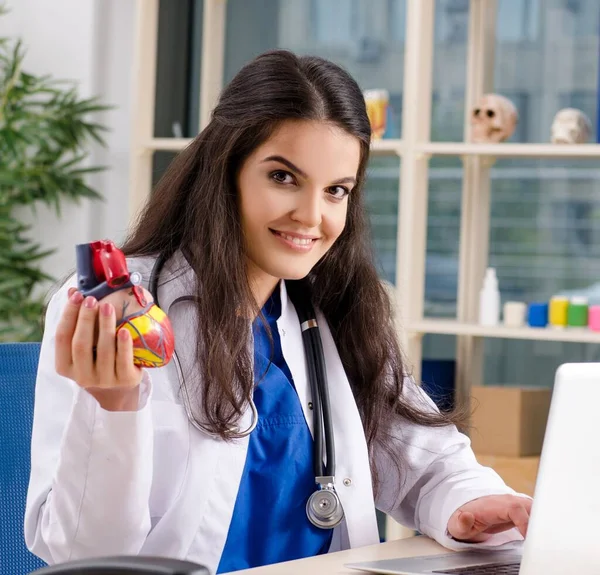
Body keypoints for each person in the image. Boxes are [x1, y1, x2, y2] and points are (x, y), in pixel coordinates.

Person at [25, 50, 531, 574]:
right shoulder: (120, 309)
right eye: (284, 178)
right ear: (227, 171)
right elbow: (84, 556)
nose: (312, 216)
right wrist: (114, 409)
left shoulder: (334, 309)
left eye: (336, 190)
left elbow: (423, 460)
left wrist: (470, 504)